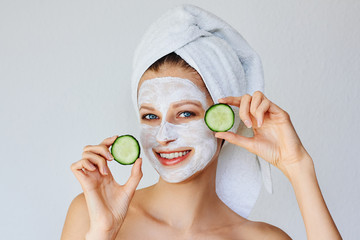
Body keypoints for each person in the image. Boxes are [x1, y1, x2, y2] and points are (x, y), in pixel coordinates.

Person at [61, 52, 342, 240]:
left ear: (225, 121)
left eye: (185, 113)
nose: (162, 136)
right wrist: (101, 233)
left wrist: (298, 167)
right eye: (150, 116)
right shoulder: (90, 214)